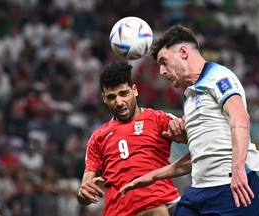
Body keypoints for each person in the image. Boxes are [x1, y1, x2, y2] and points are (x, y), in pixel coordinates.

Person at [119, 24, 259, 216]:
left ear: (183, 52)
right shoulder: (189, 97)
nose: (162, 72)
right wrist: (153, 176)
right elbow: (199, 156)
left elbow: (241, 118)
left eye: (164, 62)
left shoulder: (218, 77)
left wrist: (238, 169)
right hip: (198, 191)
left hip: (231, 188)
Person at [76, 61, 182, 216]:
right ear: (104, 98)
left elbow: (200, 143)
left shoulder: (159, 119)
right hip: (118, 212)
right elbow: (85, 191)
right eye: (111, 97)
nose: (119, 102)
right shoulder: (98, 137)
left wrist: (184, 130)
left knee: (157, 211)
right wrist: (82, 193)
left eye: (123, 94)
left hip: (163, 205)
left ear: (134, 90)